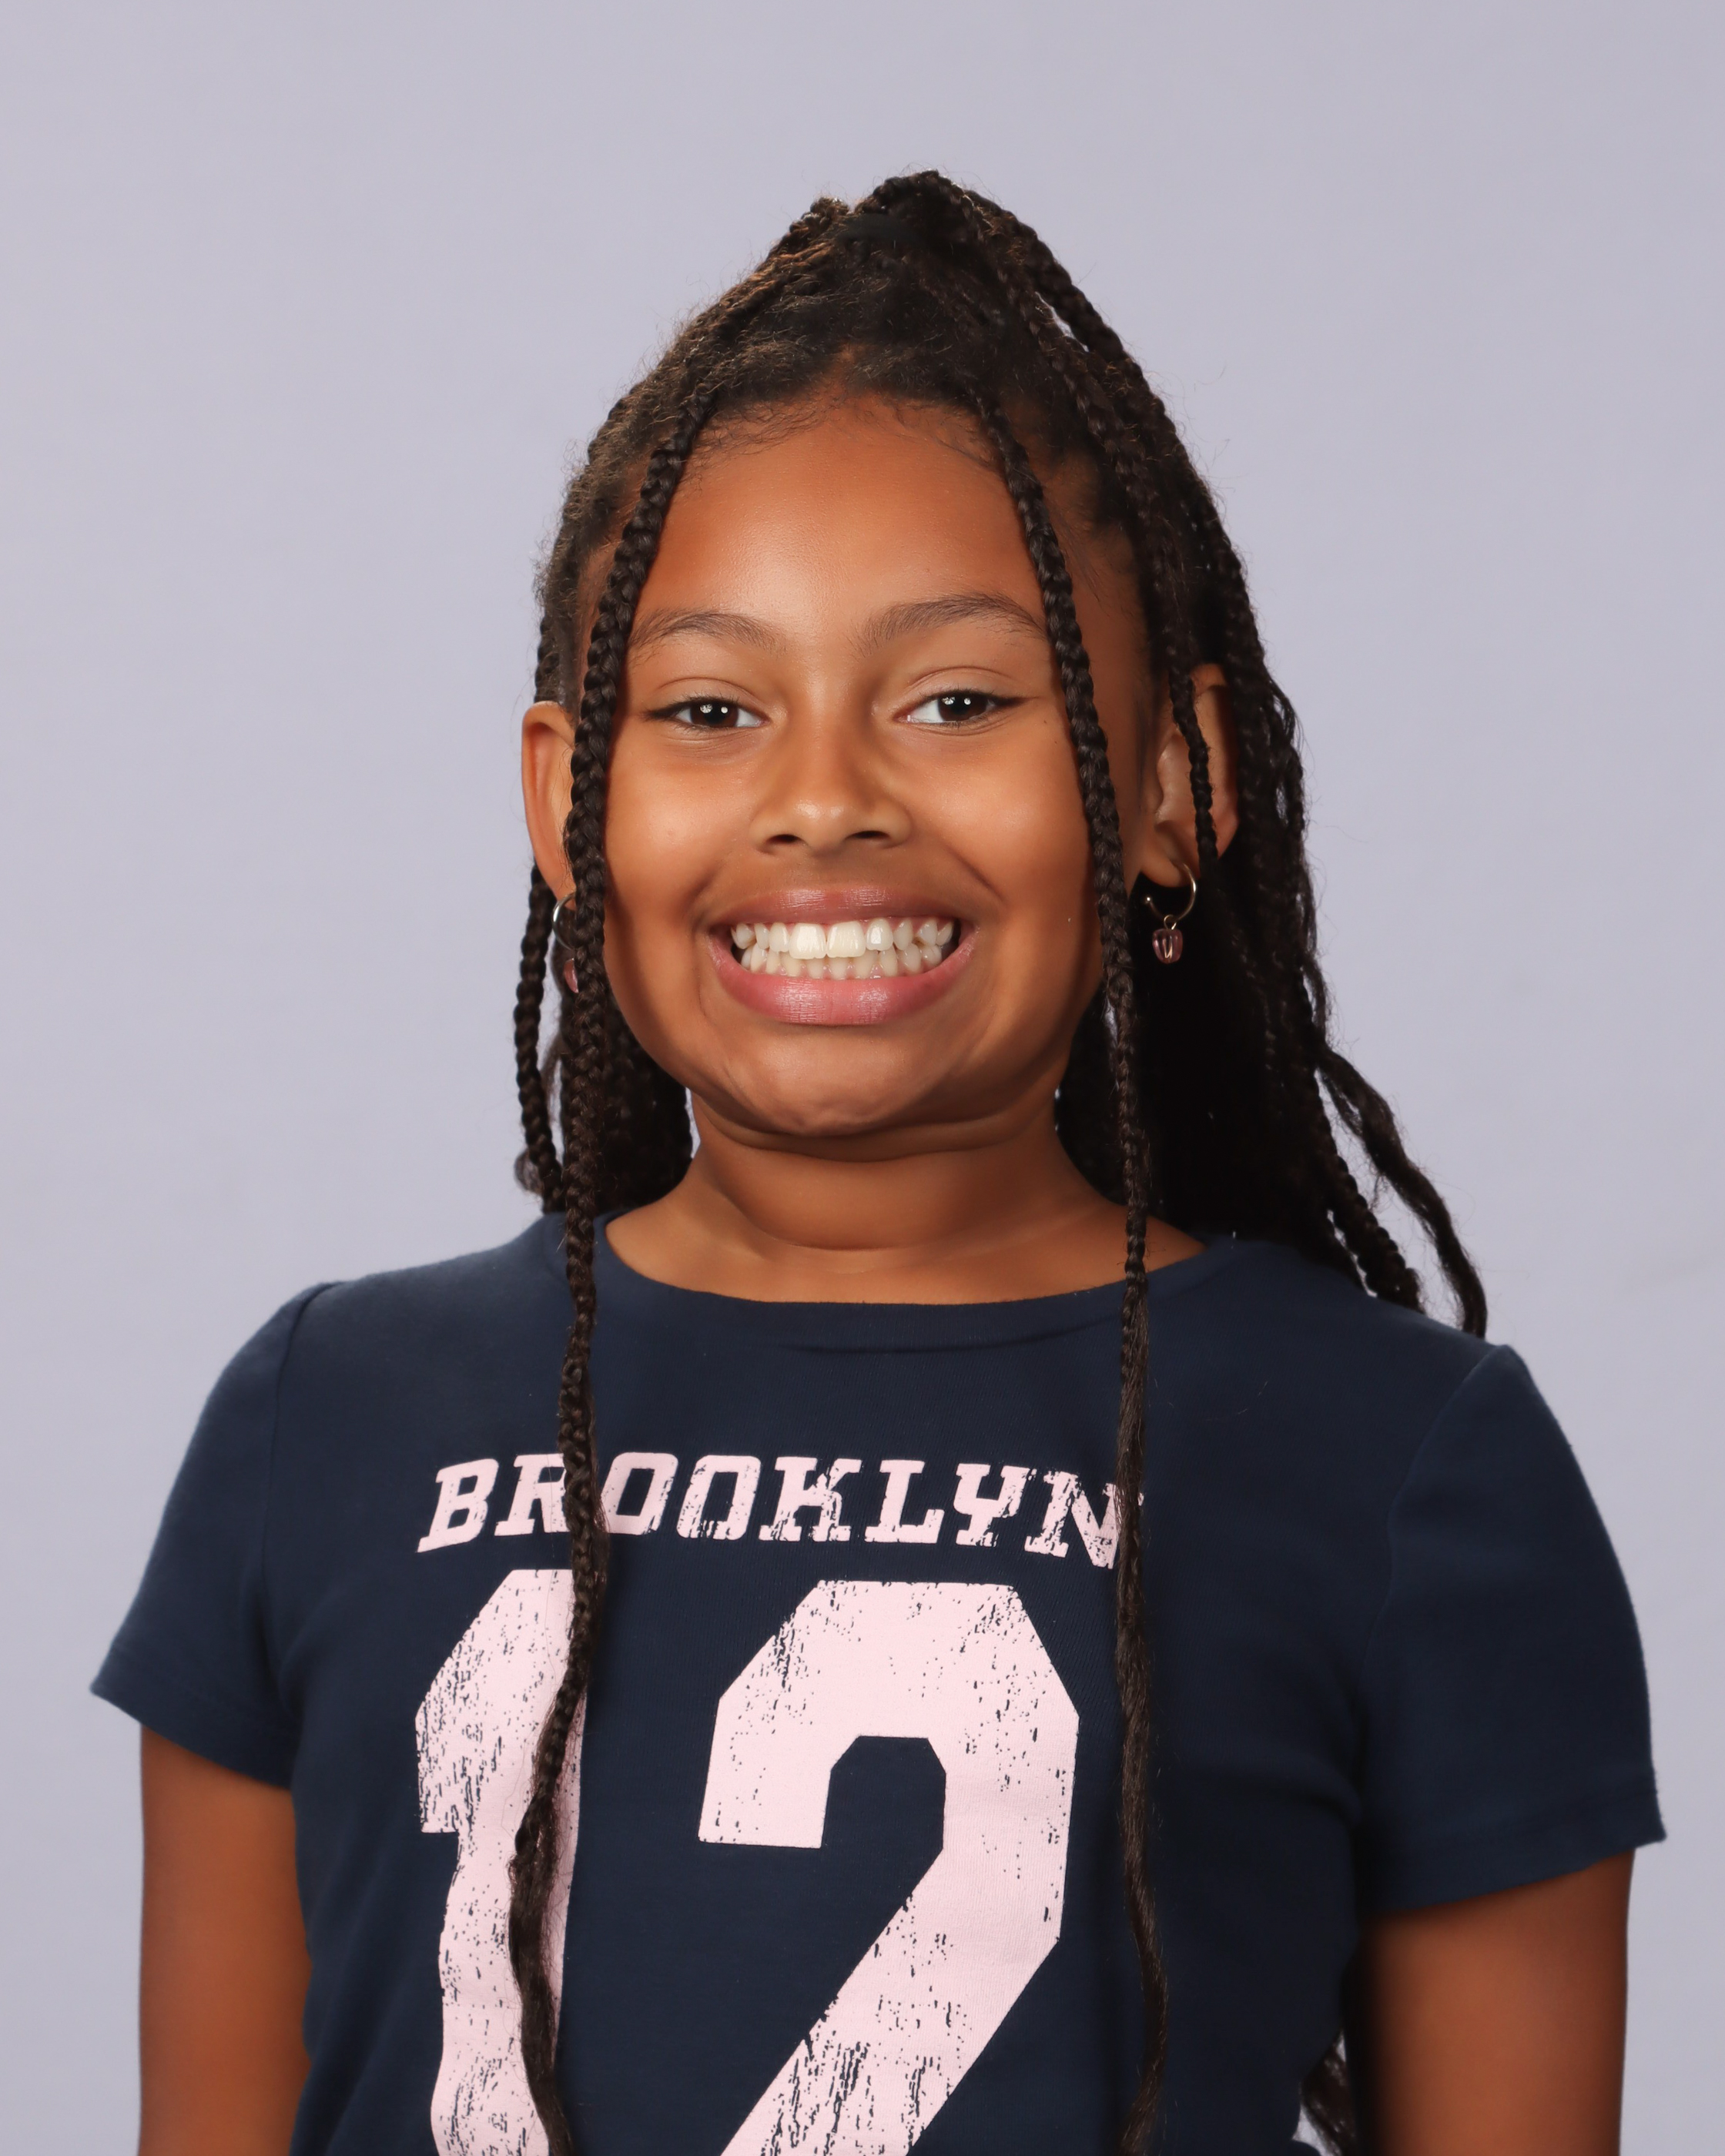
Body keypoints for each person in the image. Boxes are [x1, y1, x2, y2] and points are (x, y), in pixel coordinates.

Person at [96, 176, 1661, 2156]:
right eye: (709, 709)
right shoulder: (319, 1420)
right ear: (567, 806)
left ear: (1173, 780)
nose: (822, 797)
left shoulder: (1407, 1465)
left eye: (957, 700)